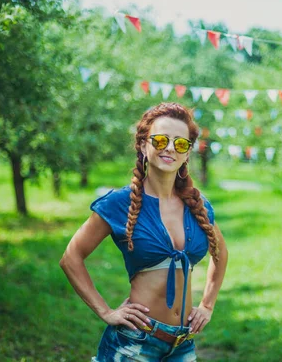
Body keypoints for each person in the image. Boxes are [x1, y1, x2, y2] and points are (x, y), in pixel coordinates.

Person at [59, 102, 229, 361]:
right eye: (161, 140)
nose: (170, 148)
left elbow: (221, 254)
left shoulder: (198, 205)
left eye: (180, 143)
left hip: (182, 345)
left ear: (187, 153)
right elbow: (71, 257)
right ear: (142, 145)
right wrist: (106, 311)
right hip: (134, 342)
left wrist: (207, 305)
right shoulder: (120, 203)